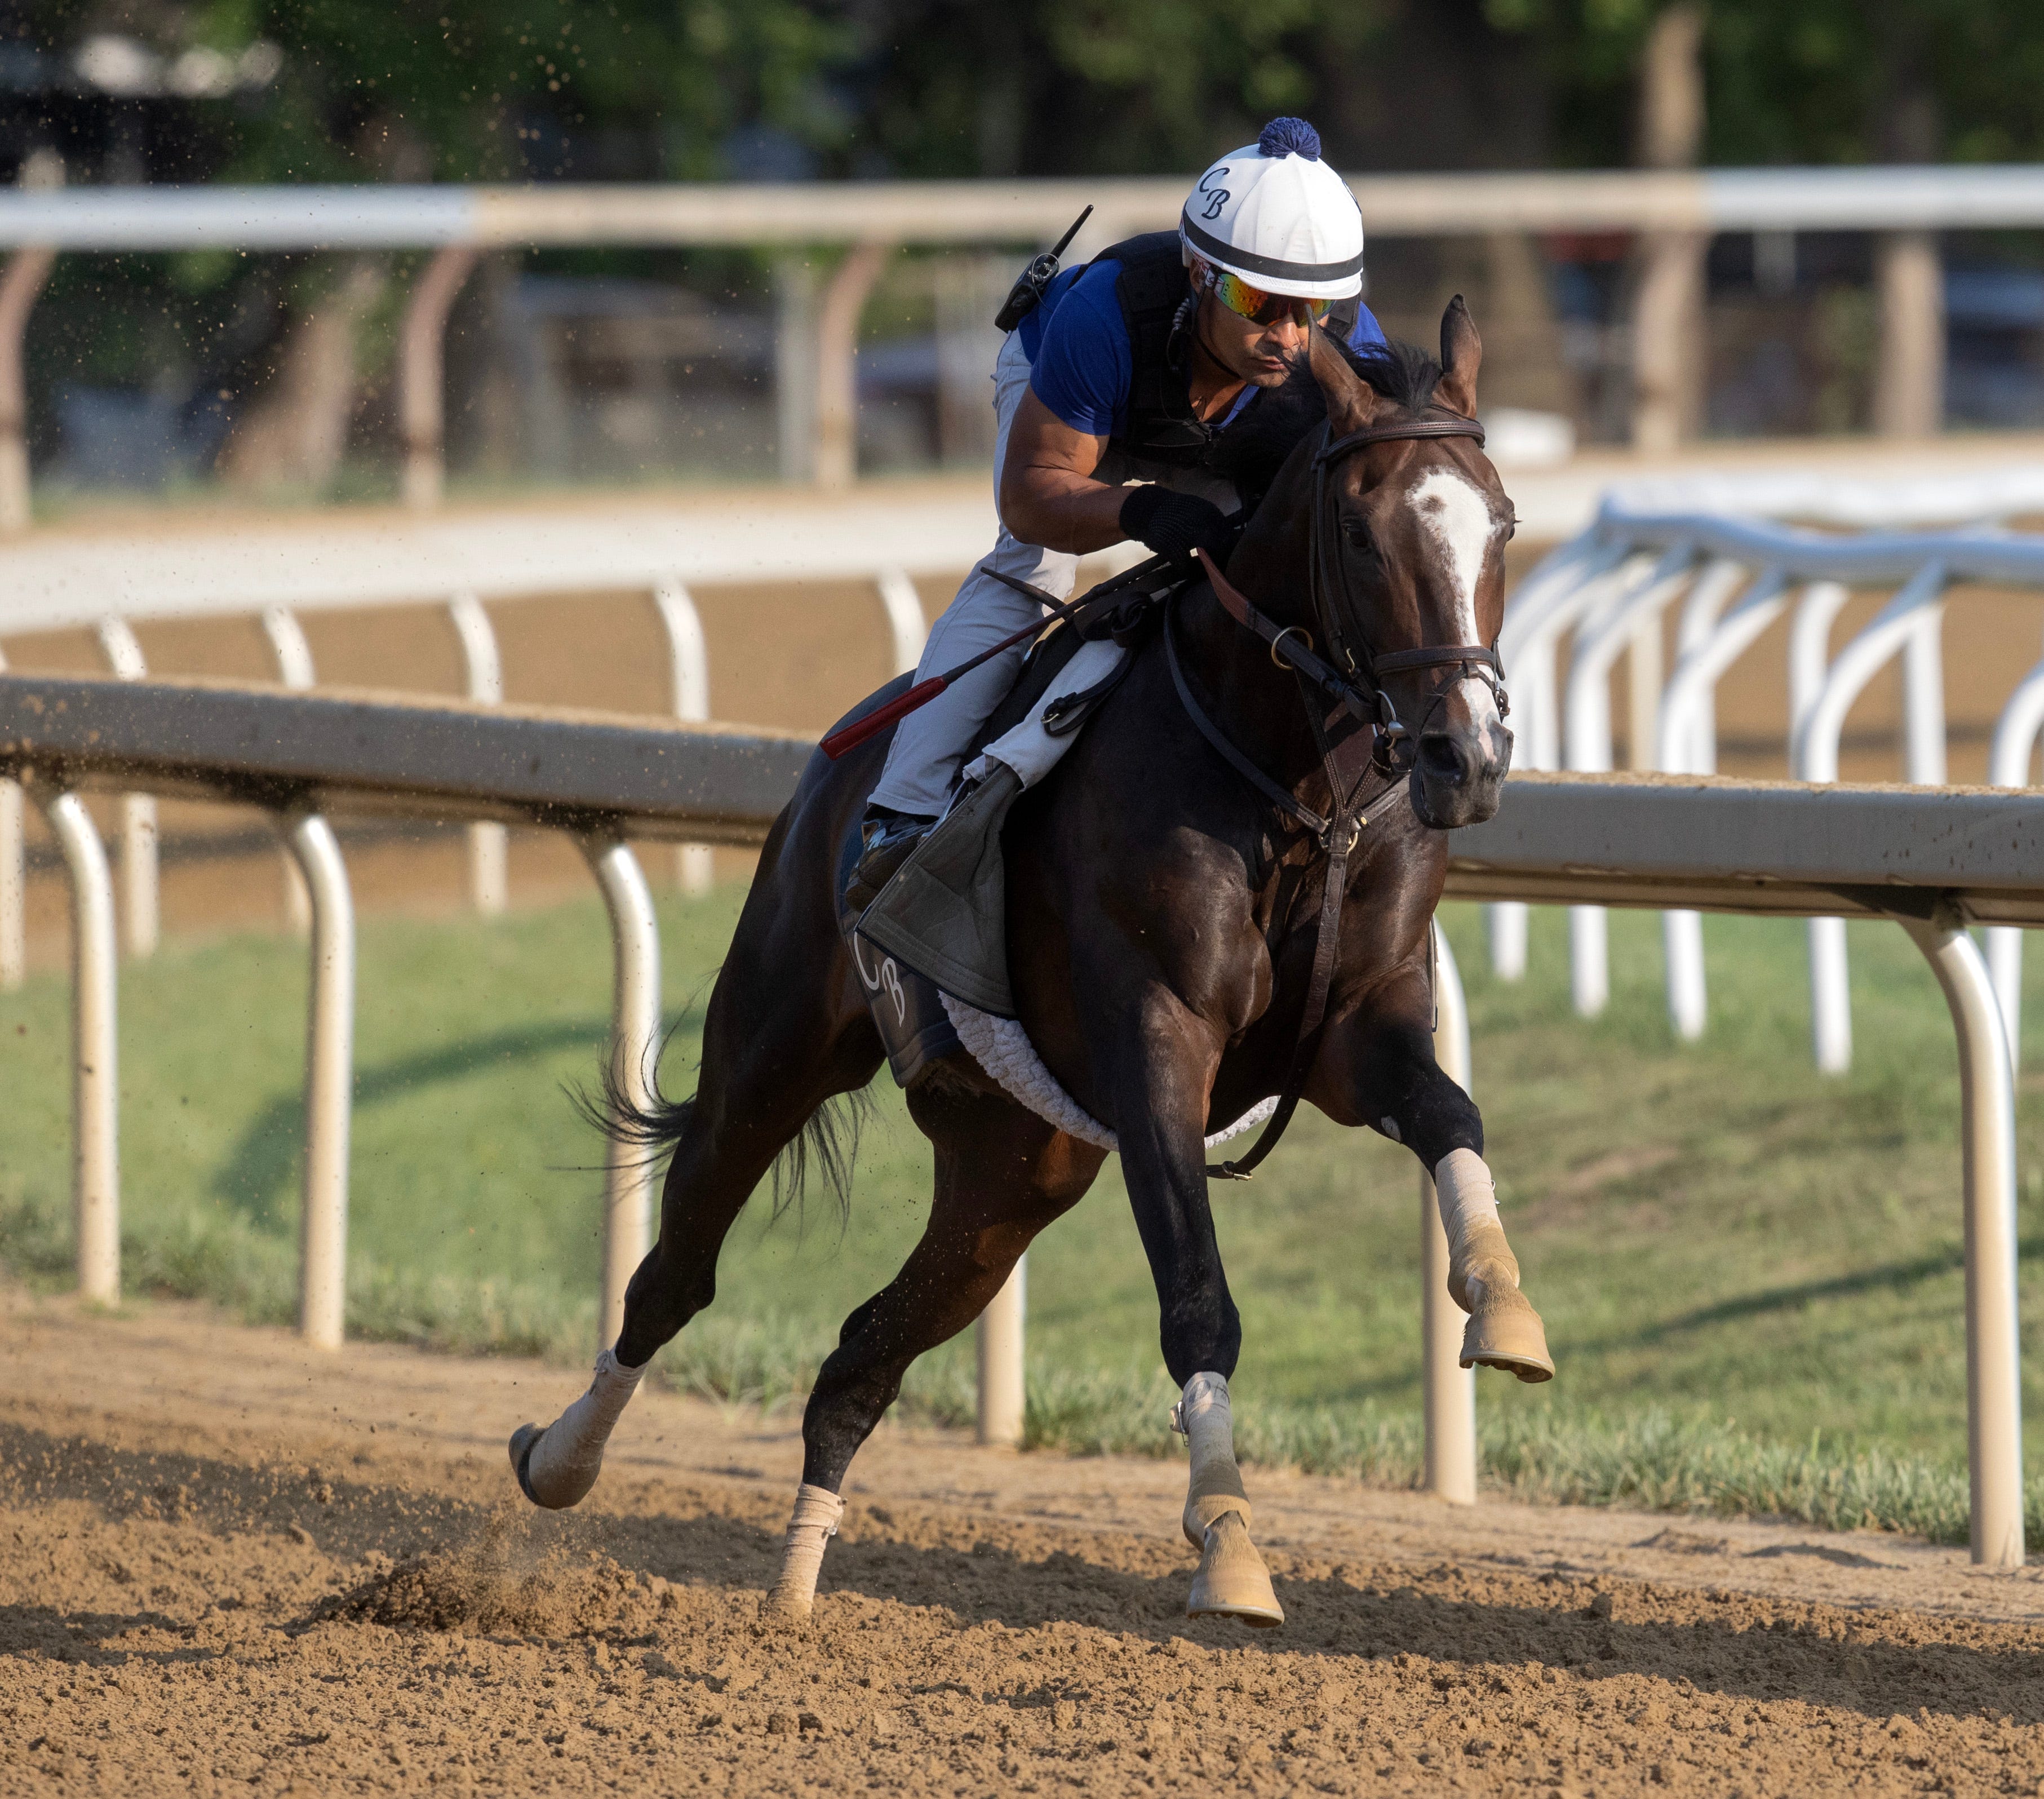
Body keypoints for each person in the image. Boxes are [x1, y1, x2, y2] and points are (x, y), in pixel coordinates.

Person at [845, 114, 1386, 911]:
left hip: (1219, 436)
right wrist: (1137, 512)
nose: (1289, 335)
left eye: (1314, 308)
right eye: (1260, 301)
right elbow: (1033, 497)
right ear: (1199, 272)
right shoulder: (1104, 316)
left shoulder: (1340, 344)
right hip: (1077, 405)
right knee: (1033, 568)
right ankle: (903, 810)